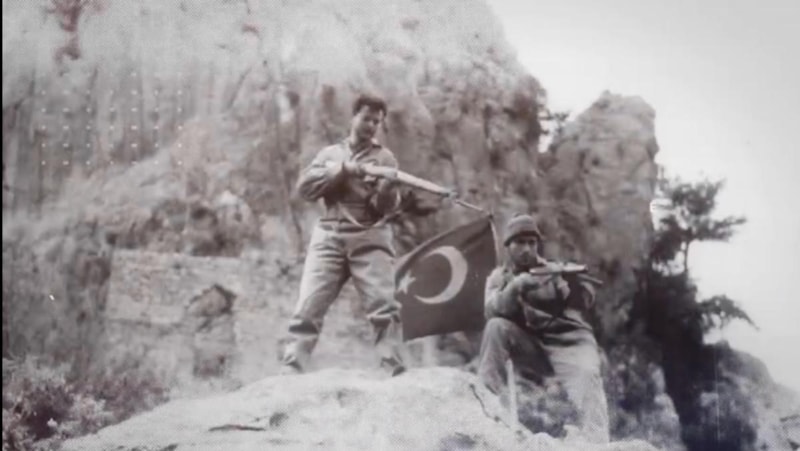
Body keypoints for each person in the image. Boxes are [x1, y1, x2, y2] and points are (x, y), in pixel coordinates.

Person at [278, 94, 409, 377]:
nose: (371, 125)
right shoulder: (329, 154)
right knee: (308, 305)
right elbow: (305, 188)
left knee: (383, 307)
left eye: (376, 121)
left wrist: (388, 189)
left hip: (369, 237)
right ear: (353, 117)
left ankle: (391, 366)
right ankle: (293, 364)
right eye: (366, 118)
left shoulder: (385, 158)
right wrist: (343, 170)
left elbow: (383, 209)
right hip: (329, 235)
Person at [477, 213, 610, 443]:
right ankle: (487, 402)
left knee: (587, 377)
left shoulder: (552, 271)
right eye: (520, 243)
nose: (527, 249)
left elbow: (583, 302)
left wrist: (576, 285)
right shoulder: (499, 278)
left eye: (532, 243)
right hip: (533, 347)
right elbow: (491, 311)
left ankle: (598, 441)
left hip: (570, 344)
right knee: (495, 327)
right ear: (508, 246)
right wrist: (514, 288)